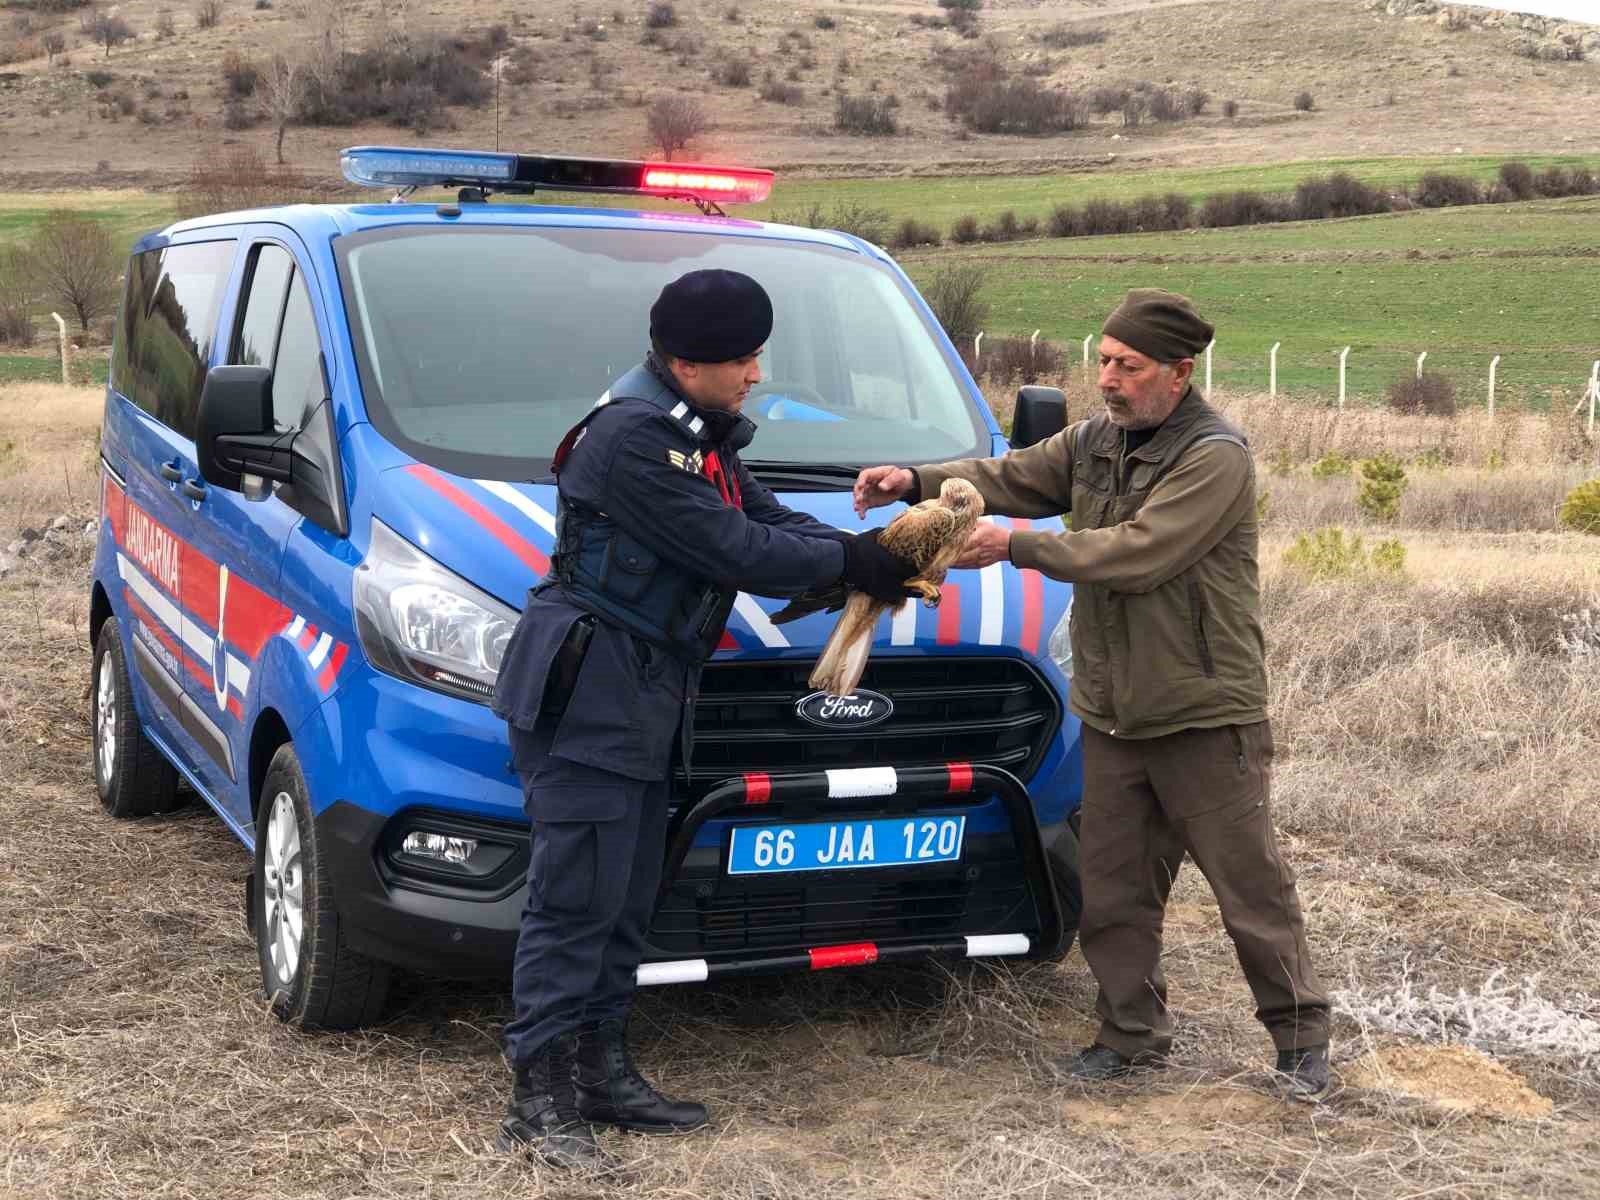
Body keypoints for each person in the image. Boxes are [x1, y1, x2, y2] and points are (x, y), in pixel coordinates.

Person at [852, 289, 1332, 1102]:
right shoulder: (1094, 441)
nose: (1108, 379)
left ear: (1179, 373)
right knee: (1112, 891)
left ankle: (1301, 1044)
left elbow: (1140, 552)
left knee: (1249, 891)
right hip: (1112, 709)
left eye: (1128, 366)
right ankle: (1131, 1036)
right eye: (1103, 361)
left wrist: (1020, 546)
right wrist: (915, 479)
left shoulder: (1215, 456)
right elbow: (1009, 474)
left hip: (1203, 715)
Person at [490, 268, 918, 1170]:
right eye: (743, 359)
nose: (756, 374)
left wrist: (864, 559)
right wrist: (857, 560)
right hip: (594, 692)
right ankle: (542, 1099)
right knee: (576, 900)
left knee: (627, 894)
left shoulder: (696, 436)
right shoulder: (635, 440)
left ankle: (602, 1073)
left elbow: (763, 516)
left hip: (644, 690)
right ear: (687, 363)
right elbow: (733, 547)